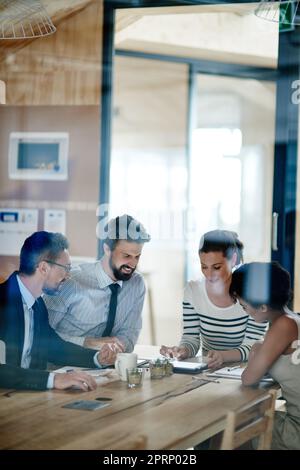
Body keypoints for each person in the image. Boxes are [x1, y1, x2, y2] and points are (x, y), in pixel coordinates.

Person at [0, 231, 110, 391]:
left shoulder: (38, 305)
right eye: (66, 268)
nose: (68, 276)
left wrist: (97, 358)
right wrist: (53, 379)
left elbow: (54, 347)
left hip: (25, 398)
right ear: (44, 268)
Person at [45, 214, 150, 363]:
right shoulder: (71, 281)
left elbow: (129, 333)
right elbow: (41, 335)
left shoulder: (136, 284)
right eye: (126, 255)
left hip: (104, 369)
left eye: (137, 256)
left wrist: (115, 348)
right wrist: (88, 343)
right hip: (59, 368)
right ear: (107, 249)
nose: (132, 264)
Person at [160, 230, 268, 369]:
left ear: (233, 259)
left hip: (244, 370)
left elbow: (253, 346)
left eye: (216, 267)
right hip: (209, 370)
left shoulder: (252, 293)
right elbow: (191, 338)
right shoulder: (193, 291)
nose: (209, 275)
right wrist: (182, 351)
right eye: (204, 266)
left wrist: (223, 356)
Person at [229, 261, 300, 450]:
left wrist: (256, 349)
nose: (244, 311)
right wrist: (259, 347)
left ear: (262, 307)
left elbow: (248, 378)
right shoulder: (293, 319)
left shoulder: (282, 326)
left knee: (230, 426)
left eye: (244, 307)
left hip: (297, 431)